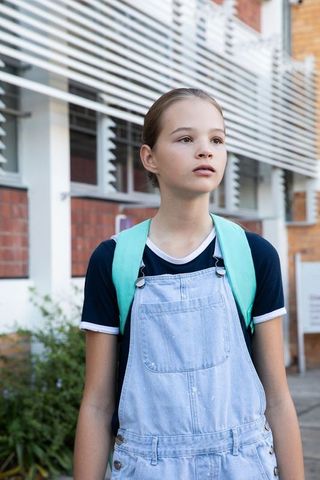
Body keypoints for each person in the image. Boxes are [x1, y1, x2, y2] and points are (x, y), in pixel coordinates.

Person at [73, 88, 304, 479]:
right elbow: (96, 403)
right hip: (145, 467)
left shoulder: (254, 255)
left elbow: (278, 399)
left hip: (244, 463)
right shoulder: (114, 260)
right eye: (185, 139)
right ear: (150, 157)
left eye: (216, 139)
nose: (205, 150)